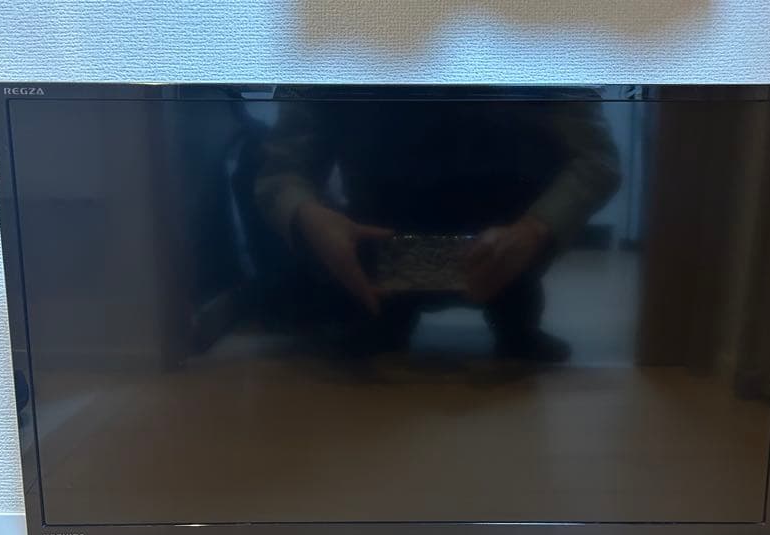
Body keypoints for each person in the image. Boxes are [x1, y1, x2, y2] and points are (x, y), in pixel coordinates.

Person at [255, 96, 620, 362]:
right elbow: (284, 170)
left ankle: (513, 314)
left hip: (505, 253)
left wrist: (534, 228)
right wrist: (311, 219)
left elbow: (596, 159)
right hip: (376, 255)